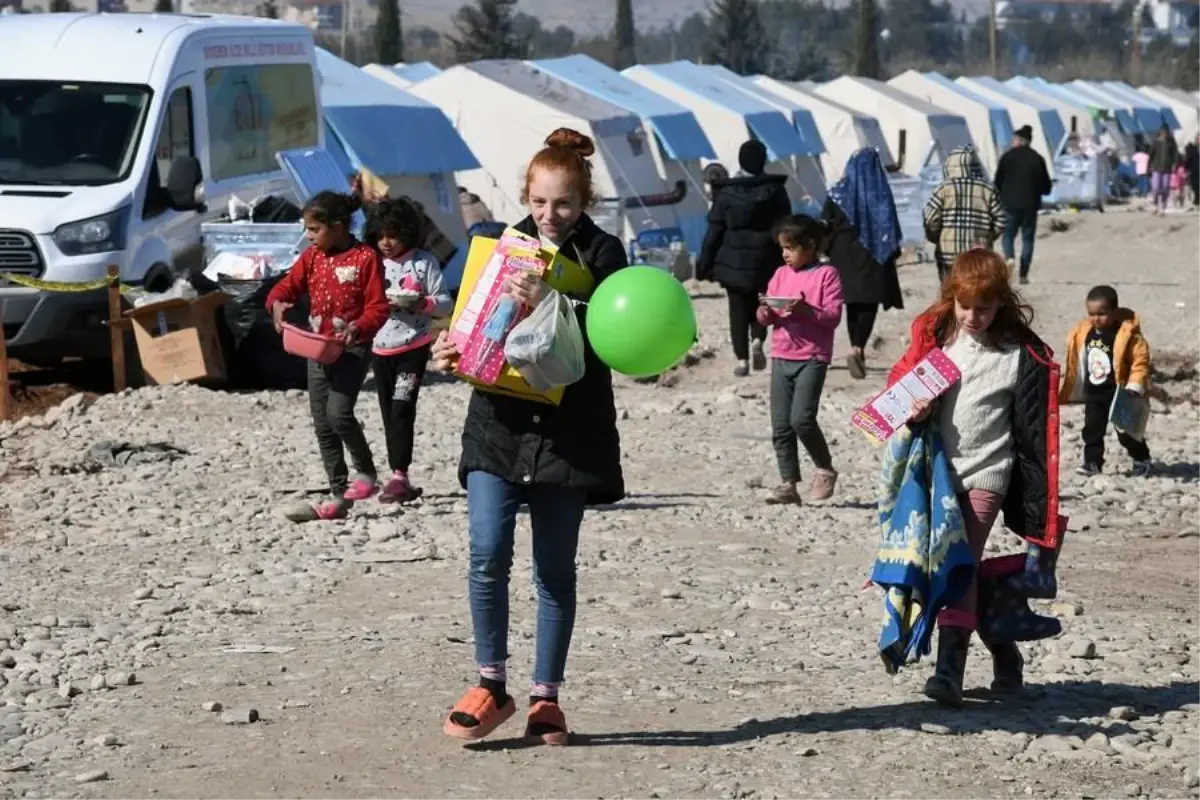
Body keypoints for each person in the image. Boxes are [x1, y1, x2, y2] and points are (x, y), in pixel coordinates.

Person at [429, 127, 627, 745]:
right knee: (486, 554)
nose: (550, 215)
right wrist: (447, 348)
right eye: (539, 202)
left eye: (563, 203)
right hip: (497, 428)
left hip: (570, 436)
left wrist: (552, 302)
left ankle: (547, 697)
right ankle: (490, 683)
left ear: (583, 200)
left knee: (553, 571)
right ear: (526, 196)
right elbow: (463, 320)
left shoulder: (605, 256)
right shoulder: (496, 246)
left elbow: (609, 343)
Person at [888, 248, 1059, 707]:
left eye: (984, 307)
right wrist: (913, 409)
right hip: (938, 473)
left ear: (1001, 302)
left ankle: (949, 673)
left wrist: (1039, 501)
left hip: (988, 472)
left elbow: (1035, 428)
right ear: (952, 300)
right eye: (965, 306)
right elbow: (898, 388)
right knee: (952, 570)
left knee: (957, 566)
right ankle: (1005, 654)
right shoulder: (936, 338)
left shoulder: (1020, 356)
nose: (973, 316)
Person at [266, 191, 390, 522]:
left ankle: (366, 473)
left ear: (337, 226)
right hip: (317, 348)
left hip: (352, 348)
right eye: (307, 230)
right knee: (322, 424)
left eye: (314, 229)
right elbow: (286, 288)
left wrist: (359, 327)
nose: (309, 236)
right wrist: (277, 303)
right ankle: (338, 494)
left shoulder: (366, 259)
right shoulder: (311, 257)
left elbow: (379, 306)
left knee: (338, 413)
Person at [364, 198, 453, 503]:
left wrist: (421, 303)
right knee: (389, 413)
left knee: (402, 407)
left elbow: (445, 302)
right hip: (379, 348)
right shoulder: (371, 262)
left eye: (393, 235)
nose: (386, 243)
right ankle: (397, 475)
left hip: (413, 347)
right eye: (380, 235)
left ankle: (399, 476)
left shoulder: (424, 263)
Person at [756, 215, 844, 506]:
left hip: (812, 356)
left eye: (791, 248)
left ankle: (825, 467)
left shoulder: (827, 274)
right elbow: (765, 317)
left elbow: (832, 318)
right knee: (781, 424)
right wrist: (766, 311)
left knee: (801, 419)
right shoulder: (781, 274)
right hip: (781, 354)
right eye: (783, 247)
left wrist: (807, 310)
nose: (785, 254)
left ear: (811, 246)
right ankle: (788, 484)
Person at [696, 140, 792, 377]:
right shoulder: (775, 191)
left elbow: (714, 231)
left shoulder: (727, 193)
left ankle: (741, 360)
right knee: (763, 302)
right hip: (766, 259)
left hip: (734, 262)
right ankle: (758, 339)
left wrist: (704, 264)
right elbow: (787, 225)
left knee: (737, 310)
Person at [821, 148, 905, 380]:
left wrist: (828, 250)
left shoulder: (838, 194)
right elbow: (890, 226)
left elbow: (825, 226)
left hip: (844, 256)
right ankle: (858, 347)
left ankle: (855, 346)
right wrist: (892, 252)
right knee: (869, 303)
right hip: (874, 255)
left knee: (852, 303)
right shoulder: (880, 193)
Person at [1058, 285, 1152, 478]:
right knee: (1092, 429)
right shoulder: (1084, 332)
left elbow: (1140, 361)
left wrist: (1135, 384)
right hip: (1095, 392)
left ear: (1114, 312)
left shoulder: (1126, 335)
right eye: (1091, 314)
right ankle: (1092, 462)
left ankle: (1141, 457)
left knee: (1126, 431)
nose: (1095, 318)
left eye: (1102, 313)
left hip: (1119, 392)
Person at [923, 145, 1006, 284]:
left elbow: (930, 218)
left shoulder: (943, 189)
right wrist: (988, 236)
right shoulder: (988, 189)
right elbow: (1001, 220)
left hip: (948, 255)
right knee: (975, 293)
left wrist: (937, 237)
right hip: (978, 255)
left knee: (950, 296)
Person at [994, 125, 1052, 285]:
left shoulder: (1007, 157)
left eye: (1013, 139)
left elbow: (997, 181)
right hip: (1030, 205)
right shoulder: (1037, 159)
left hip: (1009, 203)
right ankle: (1023, 275)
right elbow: (1046, 186)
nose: (1011, 142)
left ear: (1020, 140)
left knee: (1007, 235)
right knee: (1028, 239)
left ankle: (1009, 258)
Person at [1148, 124, 1179, 215]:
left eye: (1166, 132)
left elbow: (1175, 154)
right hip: (1156, 167)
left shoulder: (1171, 142)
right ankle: (1155, 204)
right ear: (1160, 132)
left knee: (1165, 187)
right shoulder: (1156, 142)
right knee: (1156, 187)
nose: (1165, 134)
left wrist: (1174, 164)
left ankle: (1163, 205)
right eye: (1163, 132)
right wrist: (1148, 167)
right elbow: (1150, 155)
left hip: (1167, 168)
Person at [1186, 136, 1200, 208]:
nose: (1199, 140)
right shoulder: (1192, 149)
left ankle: (1197, 202)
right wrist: (1187, 169)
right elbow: (1188, 160)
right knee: (1195, 187)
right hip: (1194, 171)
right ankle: (1197, 201)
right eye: (1197, 139)